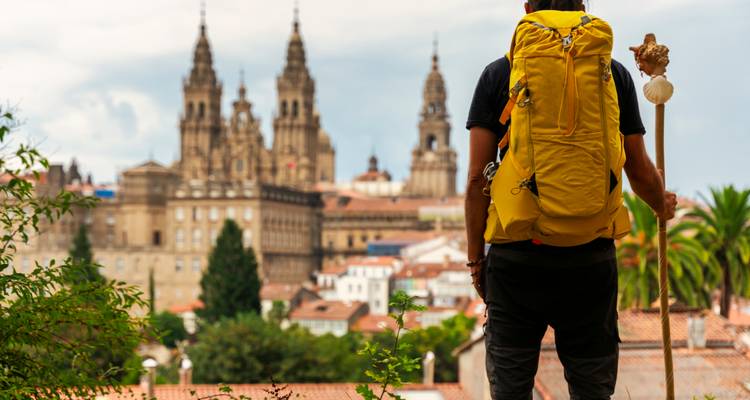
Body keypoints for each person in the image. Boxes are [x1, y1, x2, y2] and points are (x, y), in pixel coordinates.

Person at [464, 0, 678, 398]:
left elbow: (478, 177)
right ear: (582, 5)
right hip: (589, 256)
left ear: (527, 8)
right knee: (591, 389)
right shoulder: (611, 75)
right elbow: (638, 169)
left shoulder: (499, 74)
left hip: (516, 257)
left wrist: (477, 259)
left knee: (510, 389)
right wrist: (660, 203)